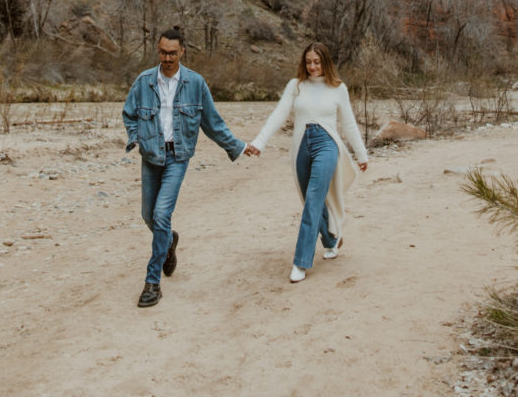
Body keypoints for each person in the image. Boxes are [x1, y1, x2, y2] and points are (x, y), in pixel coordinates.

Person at [123, 25, 253, 307]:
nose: (167, 58)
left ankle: (152, 283)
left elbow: (213, 123)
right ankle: (169, 242)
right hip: (151, 156)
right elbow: (129, 114)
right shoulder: (144, 81)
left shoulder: (196, 84)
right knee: (149, 216)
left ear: (182, 52)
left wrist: (239, 145)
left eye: (172, 53)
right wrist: (137, 139)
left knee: (160, 215)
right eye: (162, 52)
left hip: (177, 158)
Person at [247, 41, 368, 283]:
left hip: (327, 145)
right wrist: (259, 142)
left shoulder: (338, 88)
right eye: (309, 62)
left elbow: (349, 123)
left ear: (326, 62)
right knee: (311, 200)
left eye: (317, 62)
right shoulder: (296, 86)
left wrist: (361, 154)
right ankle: (333, 239)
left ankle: (301, 262)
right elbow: (278, 115)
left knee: (313, 200)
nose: (313, 66)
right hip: (301, 147)